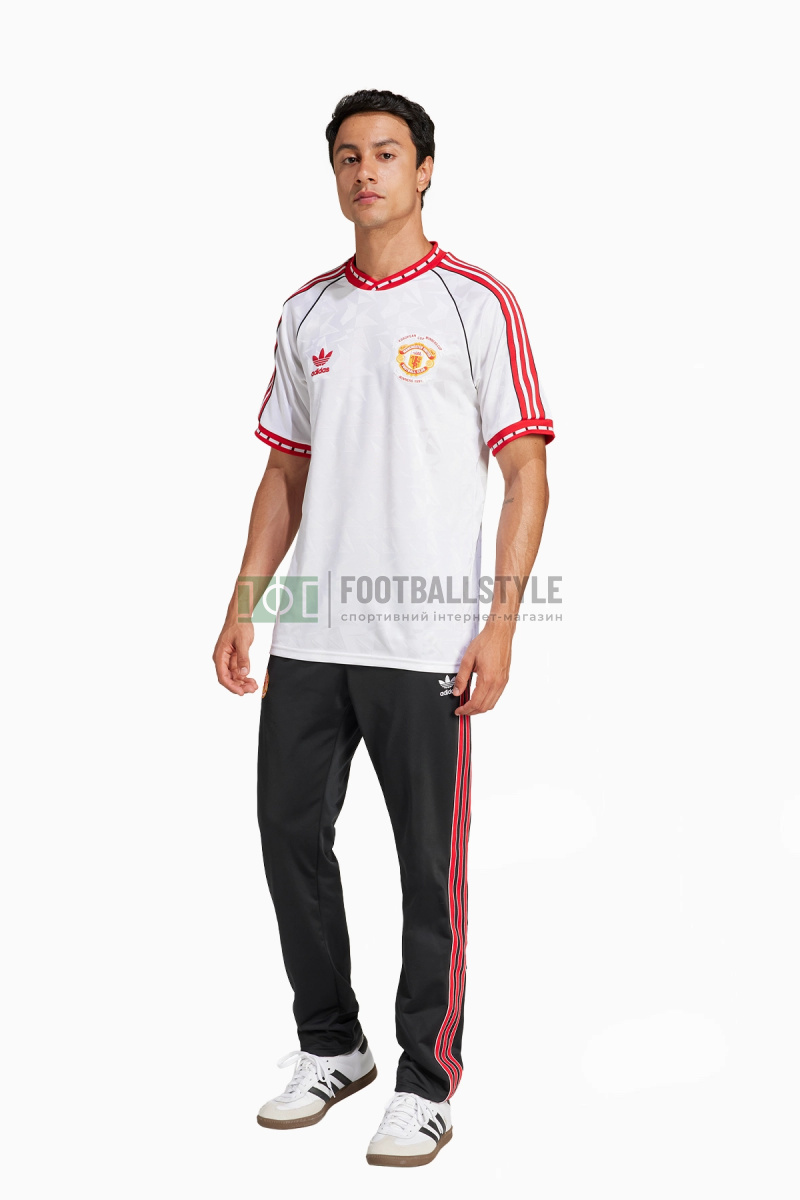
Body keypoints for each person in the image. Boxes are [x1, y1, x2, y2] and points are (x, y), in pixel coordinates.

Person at [212, 88, 555, 1168]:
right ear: (334, 174)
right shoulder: (306, 312)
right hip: (314, 631)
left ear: (425, 170)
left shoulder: (474, 302)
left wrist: (500, 626)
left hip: (423, 642)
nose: (367, 172)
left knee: (425, 867)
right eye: (349, 156)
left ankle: (425, 1079)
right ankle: (331, 1046)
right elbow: (284, 473)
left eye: (388, 154)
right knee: (287, 835)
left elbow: (525, 471)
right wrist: (247, 603)